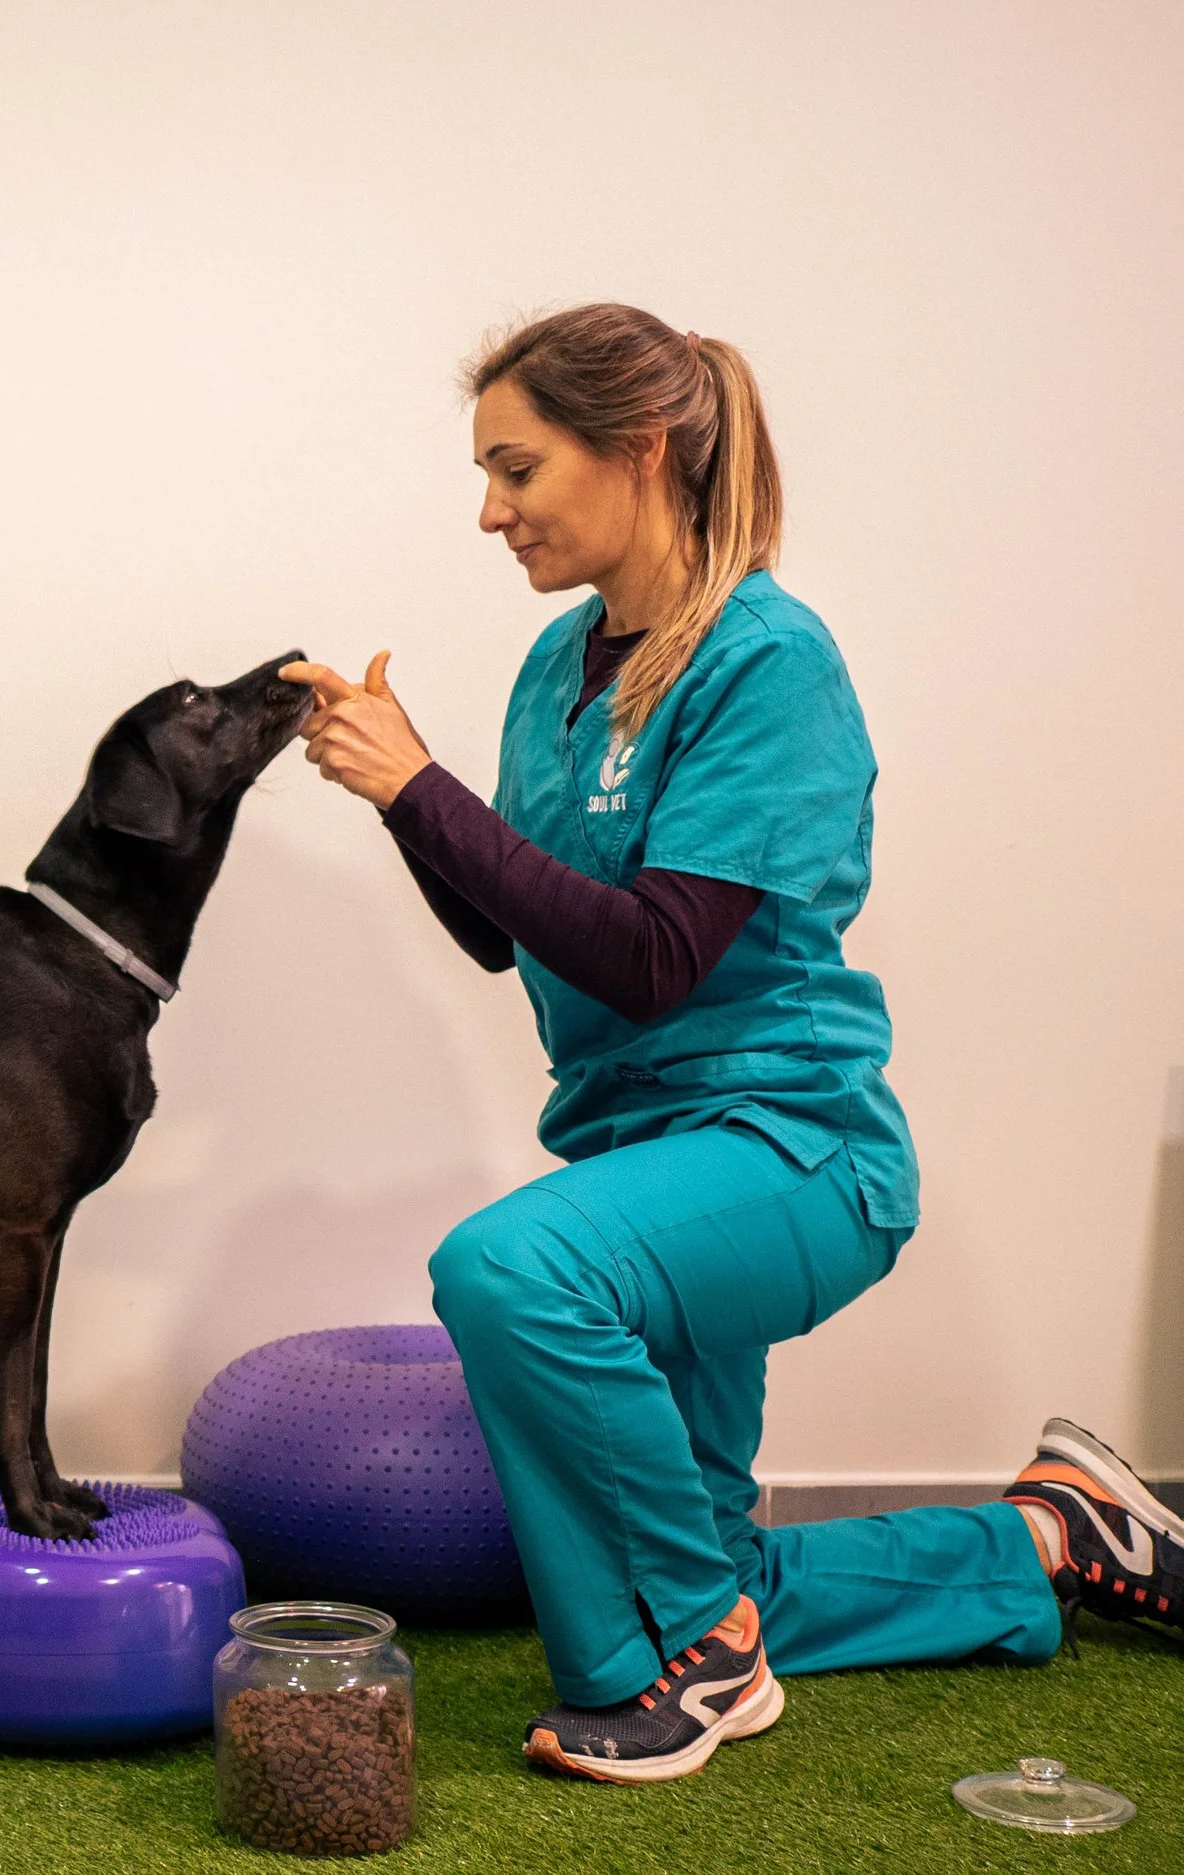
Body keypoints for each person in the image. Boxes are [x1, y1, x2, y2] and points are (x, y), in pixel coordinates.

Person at [283, 303, 1183, 1784]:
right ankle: (1046, 1534)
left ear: (636, 451)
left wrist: (420, 780)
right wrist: (402, 796)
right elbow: (514, 934)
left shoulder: (768, 659)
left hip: (790, 1148)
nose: (489, 511)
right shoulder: (552, 668)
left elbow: (650, 961)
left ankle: (700, 1659)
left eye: (518, 468)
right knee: (702, 1560)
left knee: (508, 1268)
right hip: (645, 1157)